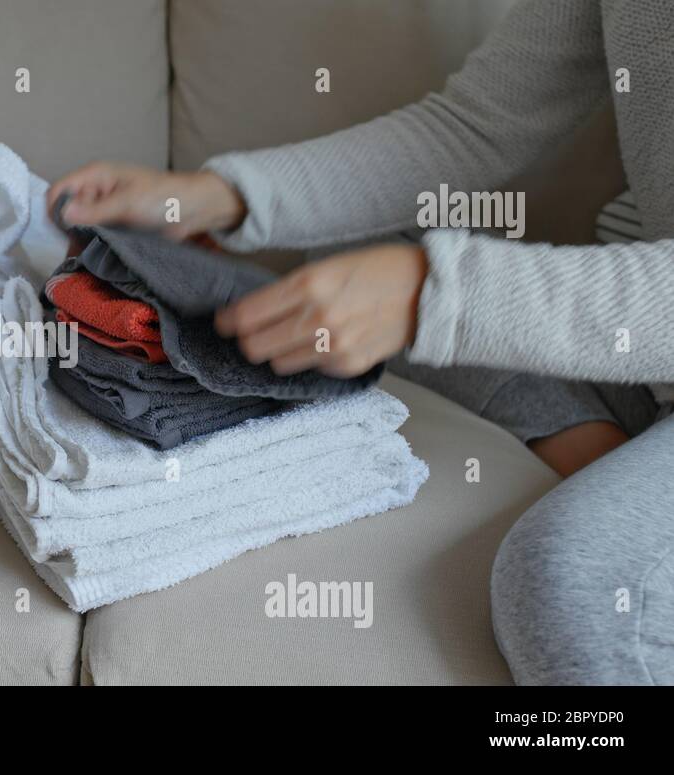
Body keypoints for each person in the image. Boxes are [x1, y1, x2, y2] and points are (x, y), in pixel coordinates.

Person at [45, 0, 674, 685]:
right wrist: (215, 195)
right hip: (638, 343)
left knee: (564, 583)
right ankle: (594, 444)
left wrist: (430, 295)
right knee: (354, 259)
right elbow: (476, 127)